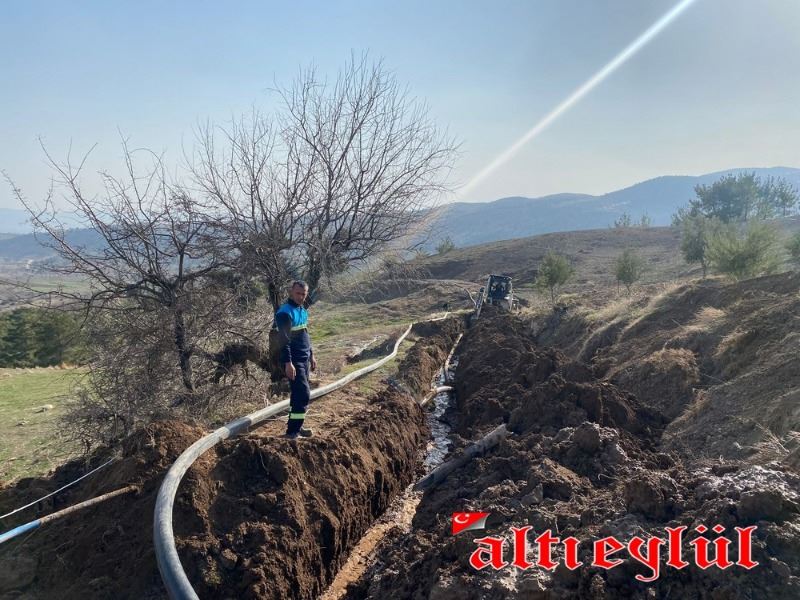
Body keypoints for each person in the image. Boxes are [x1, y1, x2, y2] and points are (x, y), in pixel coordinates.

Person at [274, 280, 317, 439]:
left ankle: (297, 427)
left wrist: (312, 354)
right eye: (298, 293)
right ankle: (292, 432)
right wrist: (288, 363)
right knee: (303, 393)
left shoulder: (302, 310)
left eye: (303, 294)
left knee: (298, 395)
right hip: (294, 360)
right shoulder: (284, 313)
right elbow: (283, 341)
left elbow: (305, 334)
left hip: (304, 358)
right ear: (291, 292)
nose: (300, 297)